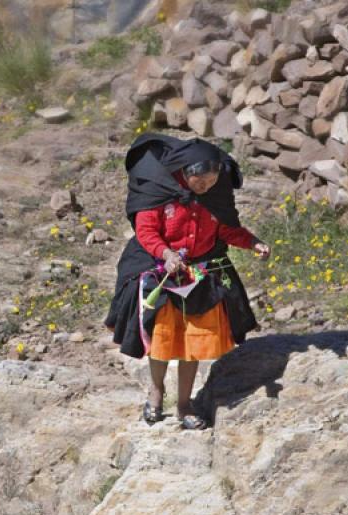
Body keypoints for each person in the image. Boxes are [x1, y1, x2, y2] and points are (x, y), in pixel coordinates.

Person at [103, 132, 270, 430]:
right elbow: (147, 232)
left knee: (193, 343)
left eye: (212, 181)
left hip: (200, 277)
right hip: (163, 275)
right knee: (163, 340)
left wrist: (252, 242)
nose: (207, 187)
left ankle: (184, 404)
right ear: (185, 173)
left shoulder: (212, 198)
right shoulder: (156, 195)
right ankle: (156, 394)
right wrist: (166, 253)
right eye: (201, 182)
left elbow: (227, 231)